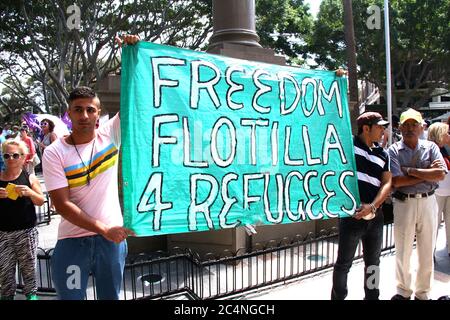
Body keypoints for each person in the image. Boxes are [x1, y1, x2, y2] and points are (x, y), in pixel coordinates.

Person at [42, 38, 139, 299]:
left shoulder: (111, 134)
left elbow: (134, 97)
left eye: (90, 110)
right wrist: (103, 229)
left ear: (98, 113)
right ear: (69, 114)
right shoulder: (53, 152)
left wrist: (132, 53)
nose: (84, 115)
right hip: (72, 243)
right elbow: (61, 205)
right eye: (78, 110)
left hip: (111, 241)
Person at [331, 112, 392, 300]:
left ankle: (372, 297)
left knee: (373, 264)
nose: (383, 130)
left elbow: (387, 183)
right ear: (366, 128)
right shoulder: (348, 147)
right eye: (379, 126)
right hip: (351, 217)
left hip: (376, 217)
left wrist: (372, 207)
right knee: (343, 264)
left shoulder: (383, 154)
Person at [388, 108, 446, 300]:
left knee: (427, 249)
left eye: (414, 125)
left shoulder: (431, 147)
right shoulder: (393, 150)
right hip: (404, 203)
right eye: (406, 125)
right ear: (400, 127)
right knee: (403, 250)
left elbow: (440, 174)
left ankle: (423, 293)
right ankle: (403, 291)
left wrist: (410, 171)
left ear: (421, 127)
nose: (410, 128)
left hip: (429, 201)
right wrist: (425, 172)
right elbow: (396, 181)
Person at [0, 139, 45, 300]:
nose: (10, 159)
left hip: (26, 232)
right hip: (3, 233)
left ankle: (31, 296)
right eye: (6, 155)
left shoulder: (29, 177)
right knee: (5, 273)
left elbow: (40, 200)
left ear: (23, 157)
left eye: (15, 155)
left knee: (29, 270)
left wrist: (29, 192)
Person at [427, 122, 450, 257]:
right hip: (437, 191)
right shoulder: (431, 149)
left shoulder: (446, 149)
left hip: (447, 191)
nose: (448, 135)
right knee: (434, 223)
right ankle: (430, 252)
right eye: (446, 132)